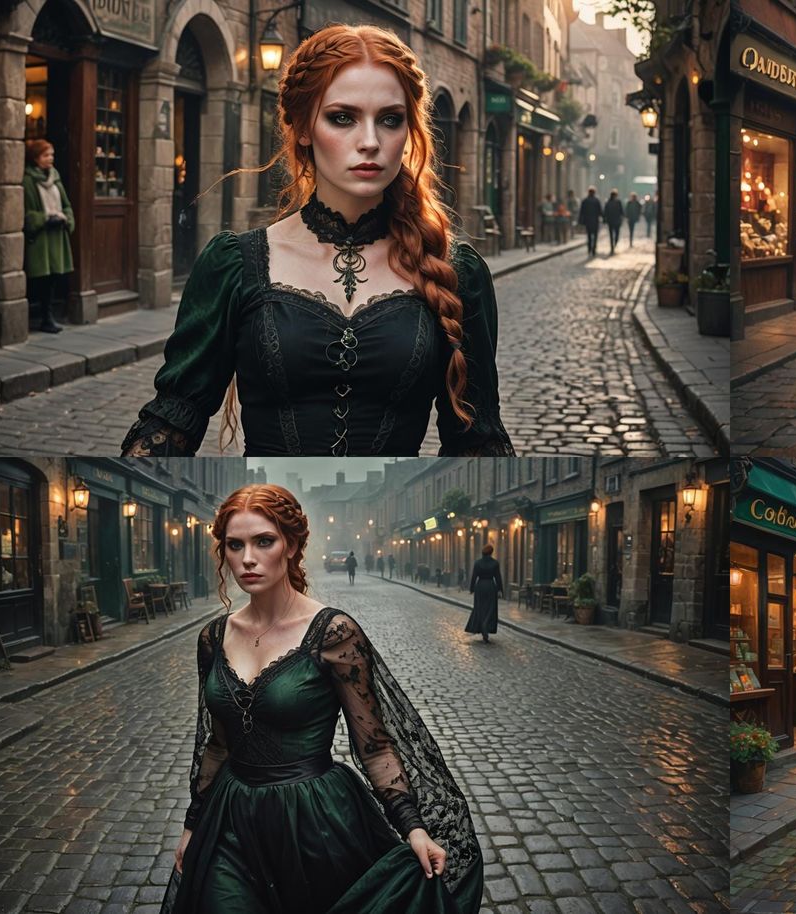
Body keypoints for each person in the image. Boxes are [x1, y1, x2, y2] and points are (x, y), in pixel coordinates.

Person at [120, 25, 513, 459]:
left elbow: (478, 446)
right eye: (342, 118)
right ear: (304, 127)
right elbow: (171, 426)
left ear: (409, 130)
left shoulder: (458, 272)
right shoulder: (234, 265)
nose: (370, 142)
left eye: (390, 119)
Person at [166, 483, 483, 914]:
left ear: (292, 546)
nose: (247, 558)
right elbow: (217, 744)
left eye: (264, 541)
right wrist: (192, 825)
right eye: (235, 545)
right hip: (231, 821)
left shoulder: (334, 634)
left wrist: (413, 828)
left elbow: (375, 747)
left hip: (311, 821)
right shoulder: (213, 637)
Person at [21, 139, 75, 334]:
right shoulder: (28, 180)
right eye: (46, 155)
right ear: (35, 158)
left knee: (53, 277)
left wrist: (66, 219)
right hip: (41, 237)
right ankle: (43, 318)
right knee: (41, 277)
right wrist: (44, 219)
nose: (50, 158)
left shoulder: (55, 177)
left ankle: (48, 317)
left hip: (57, 235)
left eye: (51, 154)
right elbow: (27, 212)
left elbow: (66, 205)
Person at [465, 544, 501, 643]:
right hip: (490, 586)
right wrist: (499, 589)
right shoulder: (495, 563)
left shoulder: (478, 563)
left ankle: (482, 625)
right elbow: (498, 577)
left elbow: (474, 576)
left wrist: (472, 588)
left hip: (480, 586)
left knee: (479, 608)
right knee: (490, 608)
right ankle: (486, 624)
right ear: (491, 552)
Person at [579, 187, 602, 256]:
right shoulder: (597, 201)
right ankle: (594, 249)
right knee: (595, 236)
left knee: (589, 236)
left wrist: (580, 221)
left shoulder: (585, 201)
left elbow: (582, 211)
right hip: (595, 221)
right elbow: (600, 211)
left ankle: (589, 249)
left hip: (588, 221)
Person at [602, 190, 624, 255]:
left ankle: (613, 246)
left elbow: (605, 212)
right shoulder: (617, 202)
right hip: (615, 221)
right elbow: (621, 211)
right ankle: (613, 245)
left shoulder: (609, 202)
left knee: (612, 235)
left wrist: (604, 219)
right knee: (615, 234)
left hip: (611, 221)